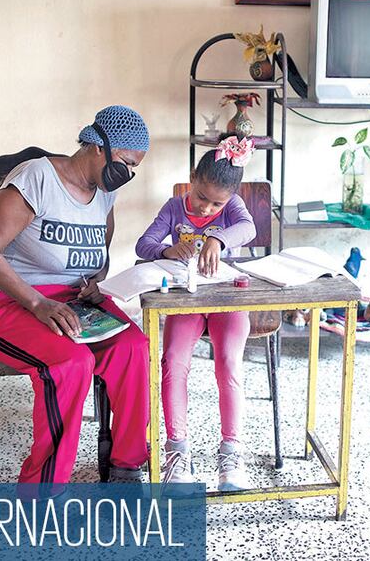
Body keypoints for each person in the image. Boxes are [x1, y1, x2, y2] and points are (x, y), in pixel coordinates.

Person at [0, 105, 150, 485]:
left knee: (134, 347)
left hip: (74, 301)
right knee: (70, 364)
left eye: (135, 168)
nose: (128, 175)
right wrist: (36, 302)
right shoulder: (37, 178)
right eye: (126, 163)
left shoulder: (104, 194)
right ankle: (42, 493)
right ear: (98, 146)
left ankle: (126, 465)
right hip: (14, 300)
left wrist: (96, 279)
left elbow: (100, 247)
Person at [135, 135, 256, 490]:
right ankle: (177, 452)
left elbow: (248, 229)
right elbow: (144, 245)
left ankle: (231, 452)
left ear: (230, 198)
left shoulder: (232, 208)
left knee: (229, 364)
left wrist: (218, 238)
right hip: (186, 299)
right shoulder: (174, 208)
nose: (205, 209)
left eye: (216, 204)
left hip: (226, 298)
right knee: (173, 362)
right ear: (192, 178)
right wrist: (167, 250)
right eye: (201, 197)